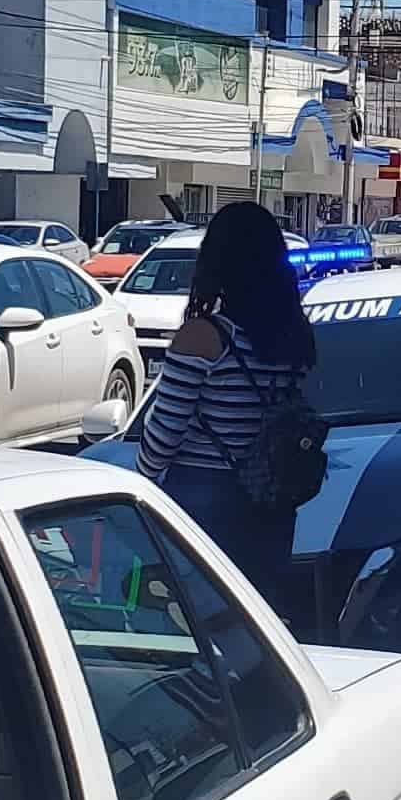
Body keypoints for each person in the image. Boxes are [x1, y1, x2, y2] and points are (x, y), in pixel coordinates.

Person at [136, 197, 320, 600]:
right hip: (273, 495)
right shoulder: (294, 334)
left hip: (205, 492)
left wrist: (144, 481)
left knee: (200, 612)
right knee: (254, 612)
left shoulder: (204, 336)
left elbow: (164, 435)